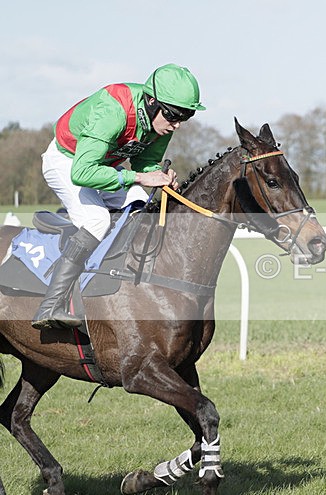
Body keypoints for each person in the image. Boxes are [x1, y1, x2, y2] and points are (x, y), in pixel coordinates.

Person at [31, 64, 205, 330]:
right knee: (97, 220)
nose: (177, 125)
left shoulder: (158, 123)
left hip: (104, 166)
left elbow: (144, 164)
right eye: (173, 115)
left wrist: (159, 176)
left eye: (186, 116)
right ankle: (50, 305)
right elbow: (82, 172)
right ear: (151, 101)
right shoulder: (113, 111)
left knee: (140, 205)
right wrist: (139, 178)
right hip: (67, 162)